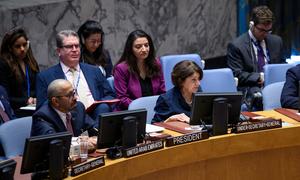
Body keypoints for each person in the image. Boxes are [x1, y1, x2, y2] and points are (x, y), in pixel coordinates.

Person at [36, 30, 115, 121]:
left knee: (103, 107)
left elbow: (110, 95)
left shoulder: (94, 70)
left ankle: (96, 131)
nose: (74, 50)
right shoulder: (45, 77)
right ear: (59, 51)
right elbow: (42, 108)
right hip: (69, 119)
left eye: (77, 46)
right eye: (69, 47)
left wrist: (98, 104)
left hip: (95, 115)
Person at [227, 5, 285, 111]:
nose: (265, 34)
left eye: (268, 31)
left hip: (275, 87)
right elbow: (236, 74)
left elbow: (281, 65)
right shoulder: (236, 46)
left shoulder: (277, 41)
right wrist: (260, 77)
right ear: (251, 25)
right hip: (252, 89)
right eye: (262, 30)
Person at [113, 29, 165, 110]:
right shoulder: (121, 69)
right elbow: (122, 99)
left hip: (155, 110)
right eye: (138, 47)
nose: (144, 49)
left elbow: (162, 92)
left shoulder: (156, 64)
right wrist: (142, 108)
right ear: (130, 49)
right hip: (132, 112)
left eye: (146, 45)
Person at [31, 79, 97, 137]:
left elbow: (94, 128)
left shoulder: (78, 108)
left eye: (74, 93)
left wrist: (95, 138)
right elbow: (55, 142)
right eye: (69, 95)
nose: (75, 98)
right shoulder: (42, 117)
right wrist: (82, 143)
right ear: (56, 101)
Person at [0, 27, 39, 117]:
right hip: (15, 113)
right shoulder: (3, 65)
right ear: (10, 48)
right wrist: (25, 100)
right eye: (17, 46)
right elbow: (4, 96)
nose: (22, 49)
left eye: (25, 45)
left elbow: (38, 86)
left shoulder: (31, 62)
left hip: (34, 110)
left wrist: (36, 98)